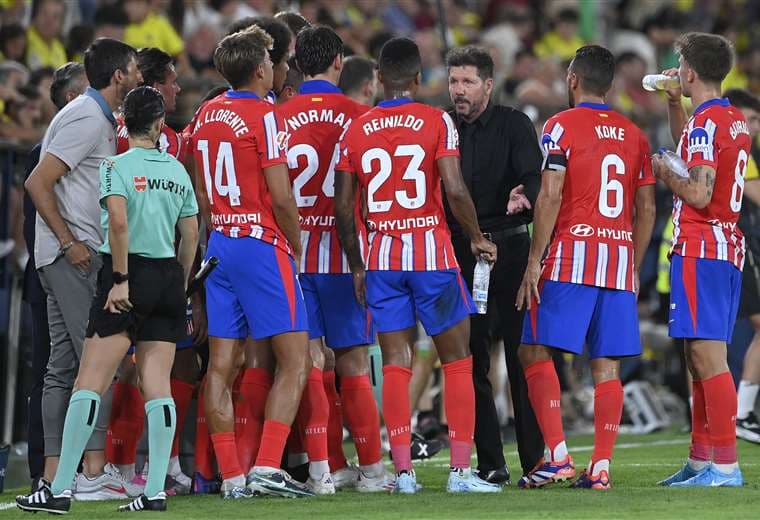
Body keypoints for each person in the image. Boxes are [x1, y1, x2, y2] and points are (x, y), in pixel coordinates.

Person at [17, 85, 200, 514]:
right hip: (168, 278)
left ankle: (59, 490)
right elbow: (190, 234)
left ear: (124, 123)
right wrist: (182, 281)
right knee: (158, 388)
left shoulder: (114, 166)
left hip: (127, 274)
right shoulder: (177, 171)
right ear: (159, 125)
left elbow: (117, 222)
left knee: (89, 383)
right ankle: (153, 492)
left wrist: (119, 279)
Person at [334, 36, 500, 494]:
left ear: (381, 80)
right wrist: (477, 237)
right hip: (431, 254)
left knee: (395, 362)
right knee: (458, 361)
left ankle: (403, 473)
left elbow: (344, 207)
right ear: (418, 79)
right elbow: (455, 187)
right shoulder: (436, 120)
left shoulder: (357, 129)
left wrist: (355, 265)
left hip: (382, 257)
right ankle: (461, 473)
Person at [515, 45, 656, 490]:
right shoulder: (635, 133)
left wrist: (534, 260)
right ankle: (601, 467)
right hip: (617, 260)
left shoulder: (559, 125)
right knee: (606, 365)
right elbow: (647, 208)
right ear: (611, 85)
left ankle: (556, 455)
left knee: (533, 349)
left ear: (573, 79)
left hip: (572, 254)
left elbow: (551, 194)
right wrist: (630, 264)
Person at [190, 26, 313, 499]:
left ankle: (232, 477)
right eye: (270, 59)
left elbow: (202, 191)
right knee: (295, 359)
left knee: (221, 364)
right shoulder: (266, 116)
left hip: (220, 242)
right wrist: (296, 241)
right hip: (261, 244)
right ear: (261, 68)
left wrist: (217, 228)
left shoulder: (205, 113)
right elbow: (281, 197)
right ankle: (265, 465)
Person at [23, 37, 142, 501]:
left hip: (61, 256)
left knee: (63, 369)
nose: (138, 76)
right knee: (101, 362)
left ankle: (55, 475)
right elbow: (38, 180)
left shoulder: (91, 116)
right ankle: (93, 472)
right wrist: (70, 242)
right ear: (118, 77)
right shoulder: (88, 118)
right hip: (72, 256)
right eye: (134, 69)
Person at [279, 25, 391, 493]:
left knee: (306, 364)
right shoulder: (358, 117)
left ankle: (322, 472)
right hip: (346, 259)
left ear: (298, 65)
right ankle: (371, 471)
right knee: (353, 365)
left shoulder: (279, 118)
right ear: (339, 63)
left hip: (293, 255)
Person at [444, 45, 544, 485]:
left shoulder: (514, 124)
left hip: (509, 251)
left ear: (488, 84)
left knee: (523, 354)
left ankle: (535, 458)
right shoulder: (441, 126)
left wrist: (526, 193)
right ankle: (489, 462)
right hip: (461, 252)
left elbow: (535, 175)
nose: (458, 90)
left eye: (467, 82)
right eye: (453, 81)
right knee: (471, 358)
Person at [654, 32, 750, 488]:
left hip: (702, 246)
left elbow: (698, 189)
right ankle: (700, 459)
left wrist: (663, 172)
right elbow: (693, 144)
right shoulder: (728, 118)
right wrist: (675, 104)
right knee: (698, 356)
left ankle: (726, 466)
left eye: (679, 65)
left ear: (689, 71)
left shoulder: (708, 124)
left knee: (709, 358)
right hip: (723, 246)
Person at [107, 46, 201, 494]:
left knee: (148, 367)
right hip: (145, 269)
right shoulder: (159, 144)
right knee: (137, 369)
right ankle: (127, 464)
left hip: (133, 267)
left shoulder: (117, 136)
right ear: (151, 88)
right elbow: (190, 225)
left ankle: (142, 466)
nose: (176, 89)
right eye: (171, 82)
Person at [22, 61, 88, 492]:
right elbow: (34, 227)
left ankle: (62, 467)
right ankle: (45, 467)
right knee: (58, 367)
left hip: (62, 267)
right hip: (56, 270)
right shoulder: (43, 156)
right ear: (70, 100)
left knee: (61, 369)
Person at [722, 89, 760, 444]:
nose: (754, 126)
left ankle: (738, 411)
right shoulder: (740, 149)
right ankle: (741, 412)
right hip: (740, 247)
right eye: (749, 118)